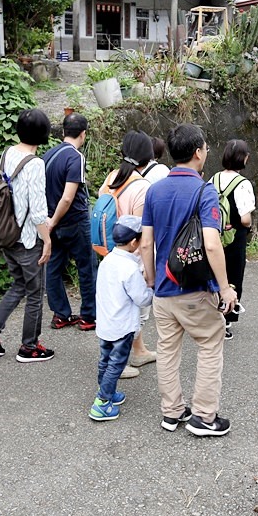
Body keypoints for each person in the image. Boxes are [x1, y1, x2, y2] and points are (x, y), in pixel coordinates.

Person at [141, 124, 237, 437]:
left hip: (163, 292)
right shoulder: (204, 191)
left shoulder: (154, 190)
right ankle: (204, 417)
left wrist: (154, 281)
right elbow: (211, 243)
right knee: (210, 345)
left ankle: (172, 413)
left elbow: (146, 243)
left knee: (167, 351)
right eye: (206, 148)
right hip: (195, 290)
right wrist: (225, 288)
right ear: (198, 152)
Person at [0, 109, 55, 363]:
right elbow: (38, 210)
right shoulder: (35, 164)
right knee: (35, 292)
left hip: (6, 234)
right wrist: (48, 240)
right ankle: (29, 347)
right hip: (27, 239)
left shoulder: (8, 153)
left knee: (19, 285)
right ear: (43, 134)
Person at [98, 130, 155, 378]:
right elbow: (144, 234)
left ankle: (139, 351)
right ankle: (117, 363)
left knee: (116, 307)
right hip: (132, 258)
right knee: (134, 311)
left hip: (110, 252)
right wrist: (149, 269)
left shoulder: (113, 176)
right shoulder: (142, 186)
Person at [88, 215, 155, 422]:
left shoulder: (107, 261)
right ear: (134, 242)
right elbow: (141, 298)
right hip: (122, 326)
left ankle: (108, 391)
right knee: (117, 364)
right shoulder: (129, 268)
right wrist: (152, 291)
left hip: (106, 322)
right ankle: (102, 403)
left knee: (105, 360)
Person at [44, 113, 97, 330]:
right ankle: (88, 316)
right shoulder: (76, 157)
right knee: (86, 267)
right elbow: (68, 196)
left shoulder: (47, 155)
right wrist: (55, 219)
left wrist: (50, 222)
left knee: (53, 268)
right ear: (83, 134)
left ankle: (61, 314)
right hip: (74, 221)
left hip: (52, 224)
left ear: (63, 131)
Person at [210, 139, 255, 340]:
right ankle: (226, 322)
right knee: (233, 278)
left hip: (214, 235)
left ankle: (212, 316)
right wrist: (248, 223)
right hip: (234, 237)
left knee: (216, 275)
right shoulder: (243, 184)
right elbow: (245, 219)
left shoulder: (214, 178)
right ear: (243, 158)